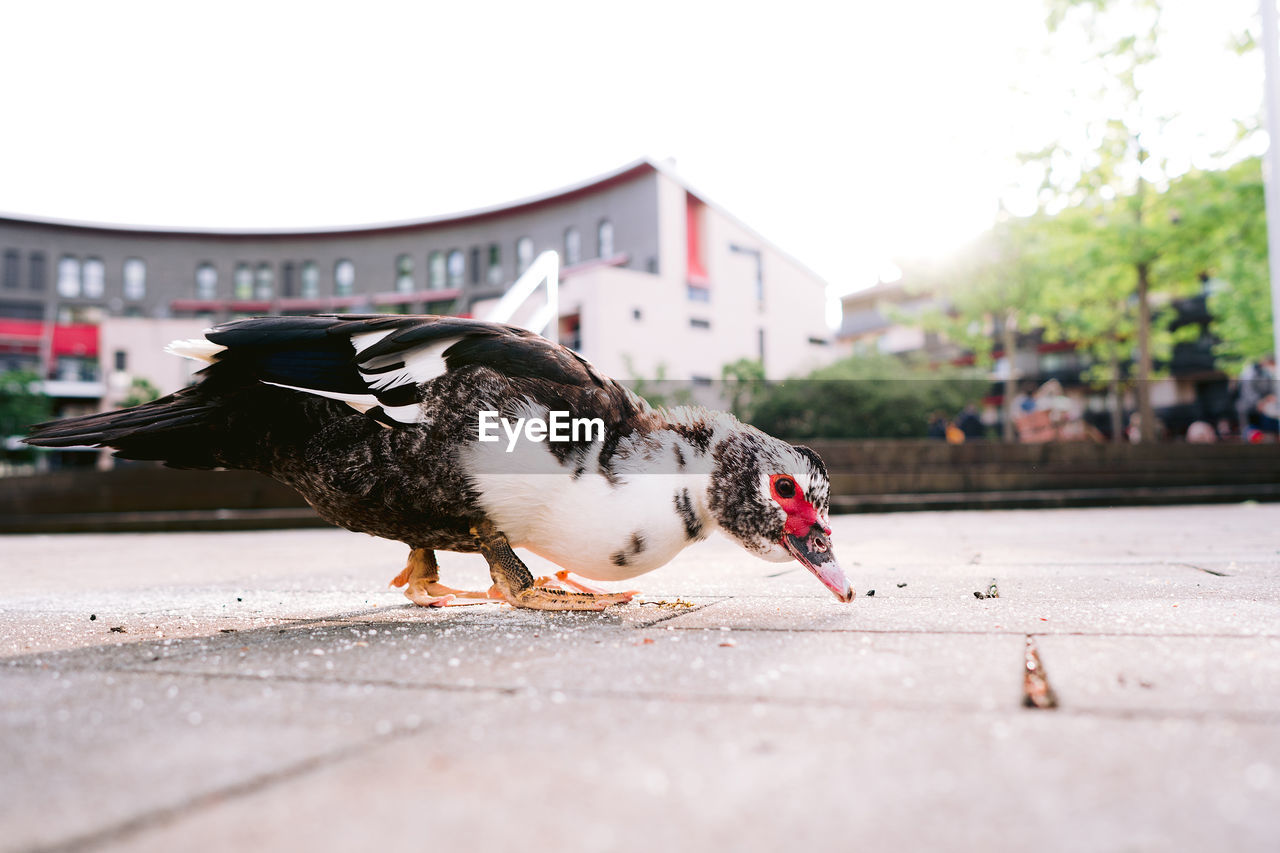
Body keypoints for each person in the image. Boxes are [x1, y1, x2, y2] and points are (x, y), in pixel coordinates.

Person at [1236, 355, 1278, 442]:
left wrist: (1269, 398)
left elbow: (1270, 389)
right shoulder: (1250, 372)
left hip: (1263, 408)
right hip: (1248, 408)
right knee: (1250, 431)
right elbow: (1247, 391)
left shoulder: (1266, 374)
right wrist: (1259, 402)